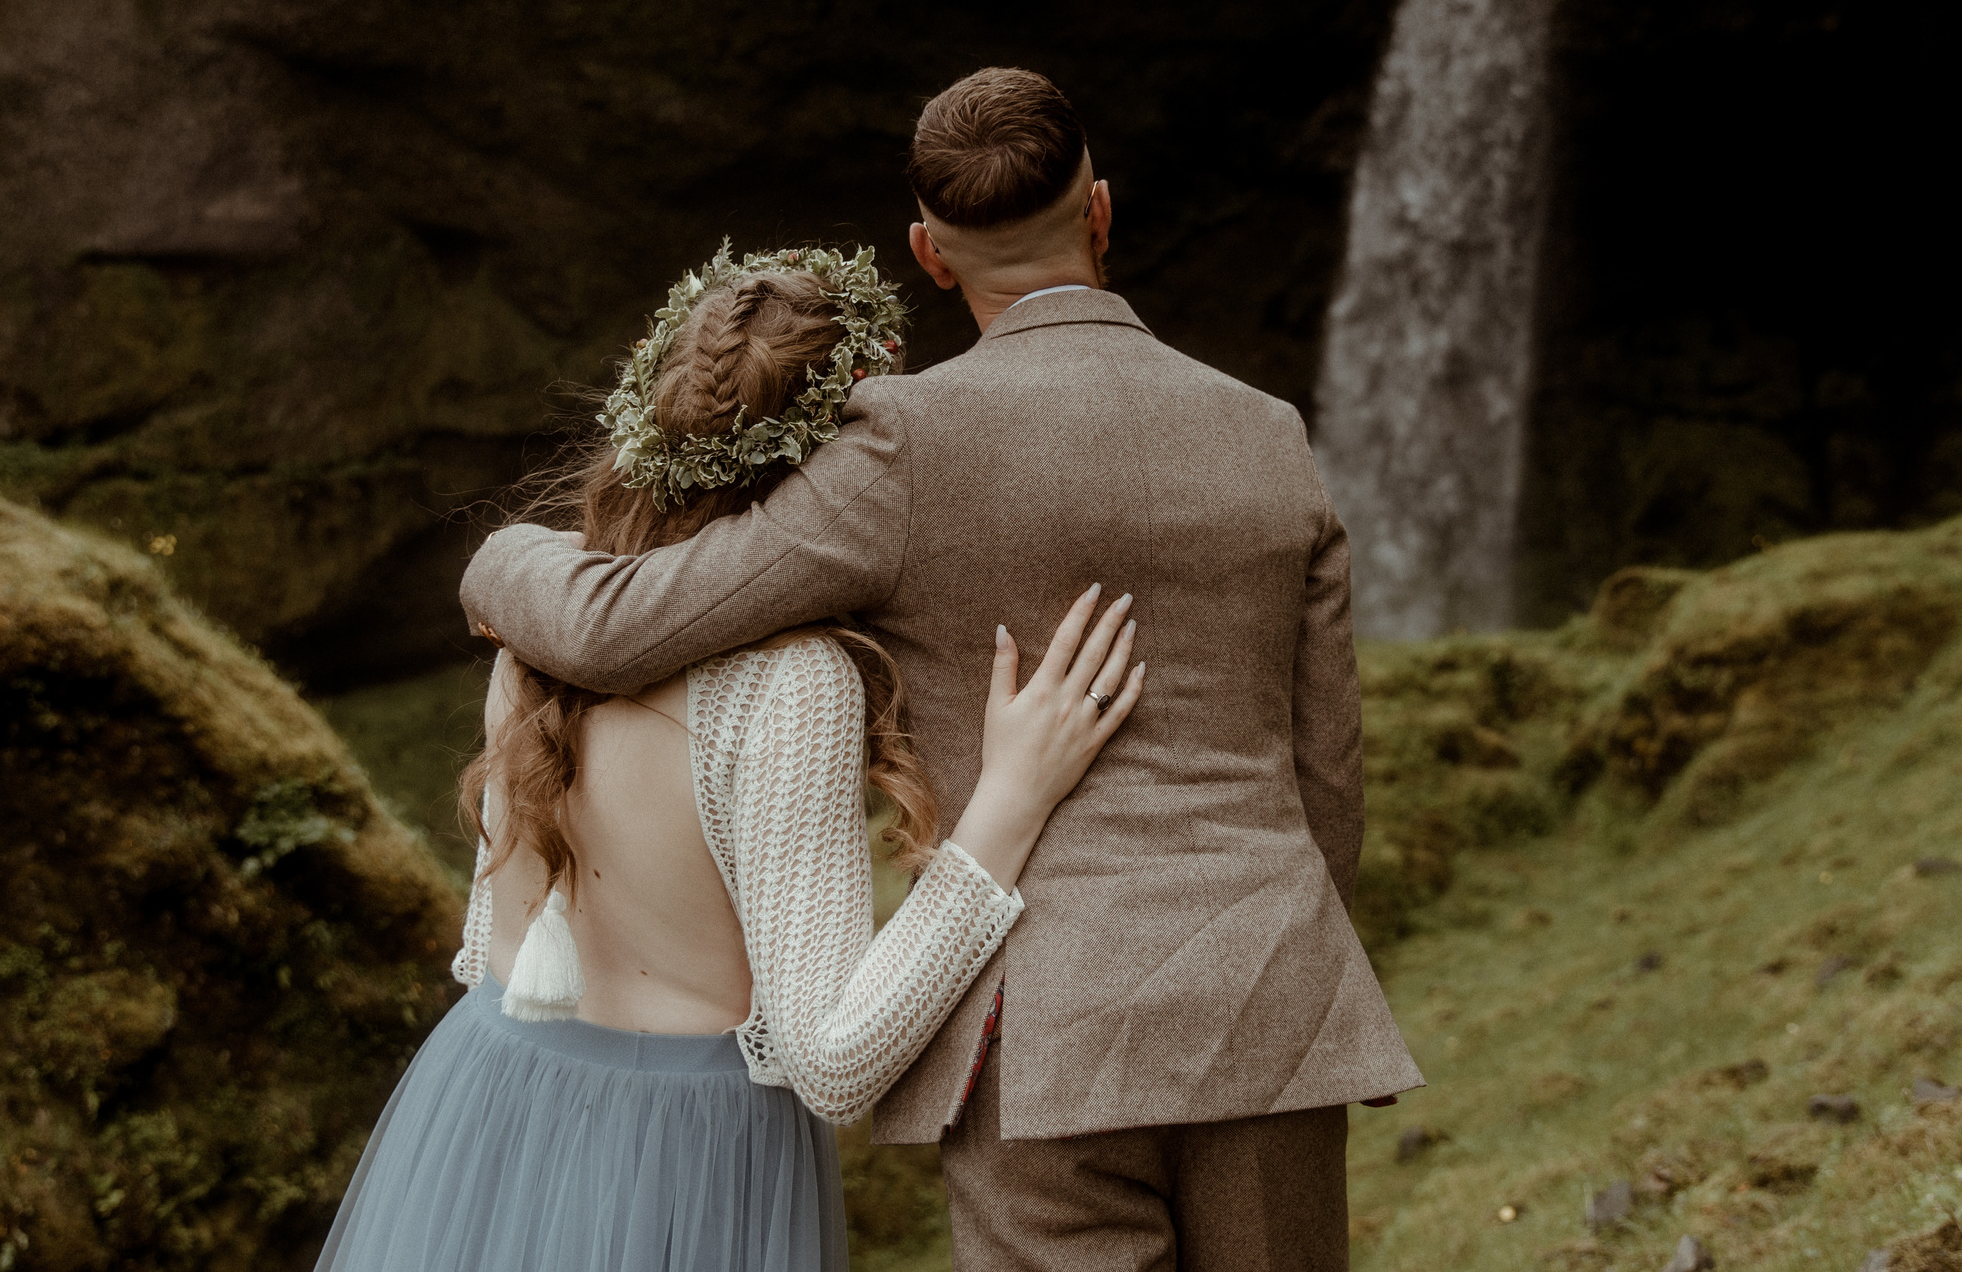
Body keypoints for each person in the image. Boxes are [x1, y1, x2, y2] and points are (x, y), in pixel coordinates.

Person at [461, 68, 1424, 1272]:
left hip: (1037, 1028)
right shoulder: (1272, 433)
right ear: (1104, 212)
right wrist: (1274, 952)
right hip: (1269, 996)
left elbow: (619, 631)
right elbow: (1326, 771)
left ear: (927, 254)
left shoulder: (899, 446)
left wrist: (500, 560)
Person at [315, 242, 1146, 1272]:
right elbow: (832, 1062)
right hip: (683, 1160)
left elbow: (492, 931)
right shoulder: (785, 684)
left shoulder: (540, 616)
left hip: (486, 1098)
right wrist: (1011, 801)